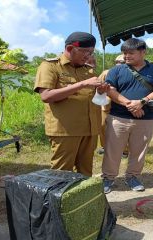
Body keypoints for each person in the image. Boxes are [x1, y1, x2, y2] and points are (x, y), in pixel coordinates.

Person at [34, 31, 109, 177]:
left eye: (91, 52)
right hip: (66, 131)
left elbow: (94, 99)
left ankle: (82, 199)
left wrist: (101, 91)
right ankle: (59, 199)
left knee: (85, 172)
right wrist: (81, 84)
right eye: (85, 52)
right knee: (62, 172)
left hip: (90, 129)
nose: (89, 56)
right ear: (69, 49)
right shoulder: (50, 66)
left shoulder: (88, 70)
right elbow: (46, 96)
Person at [102, 38, 153, 194]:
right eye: (124, 53)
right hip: (119, 117)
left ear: (143, 52)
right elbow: (110, 90)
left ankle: (133, 177)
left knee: (139, 151)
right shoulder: (116, 70)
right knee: (113, 150)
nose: (126, 56)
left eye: (131, 53)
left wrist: (142, 102)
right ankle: (108, 178)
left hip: (146, 119)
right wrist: (130, 105)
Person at [97, 54, 129, 157]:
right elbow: (98, 87)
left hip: (123, 105)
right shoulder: (106, 72)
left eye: (122, 63)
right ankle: (104, 146)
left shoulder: (130, 73)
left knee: (123, 128)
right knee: (102, 126)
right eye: (118, 62)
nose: (120, 64)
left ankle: (124, 150)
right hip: (106, 105)